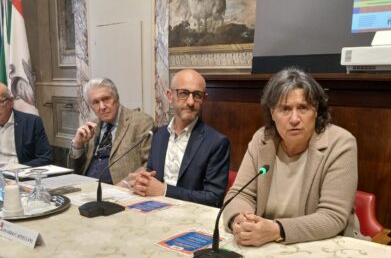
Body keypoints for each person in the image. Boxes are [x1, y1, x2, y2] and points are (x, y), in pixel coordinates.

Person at [223, 67, 359, 246]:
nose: (294, 119)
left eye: (303, 108)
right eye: (285, 109)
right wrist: (240, 221)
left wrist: (276, 230)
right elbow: (239, 194)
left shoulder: (341, 143)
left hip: (326, 246)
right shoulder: (262, 140)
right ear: (272, 113)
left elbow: (332, 217)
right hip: (268, 245)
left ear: (316, 110)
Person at [125, 69, 230, 207]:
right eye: (183, 93)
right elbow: (151, 174)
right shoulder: (158, 134)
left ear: (204, 99)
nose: (191, 102)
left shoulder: (216, 142)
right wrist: (141, 182)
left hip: (189, 214)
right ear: (170, 96)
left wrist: (165, 191)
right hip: (152, 208)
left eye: (197, 95)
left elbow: (213, 198)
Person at [69, 78, 154, 184]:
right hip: (86, 187)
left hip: (119, 189)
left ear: (117, 98)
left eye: (106, 99)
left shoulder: (141, 122)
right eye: (95, 102)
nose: (102, 107)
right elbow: (73, 171)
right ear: (90, 106)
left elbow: (150, 165)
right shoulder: (91, 127)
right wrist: (78, 145)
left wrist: (127, 183)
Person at [0, 83, 52, 167]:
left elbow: (45, 158)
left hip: (19, 172)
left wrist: (19, 168)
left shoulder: (32, 123)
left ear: (11, 101)